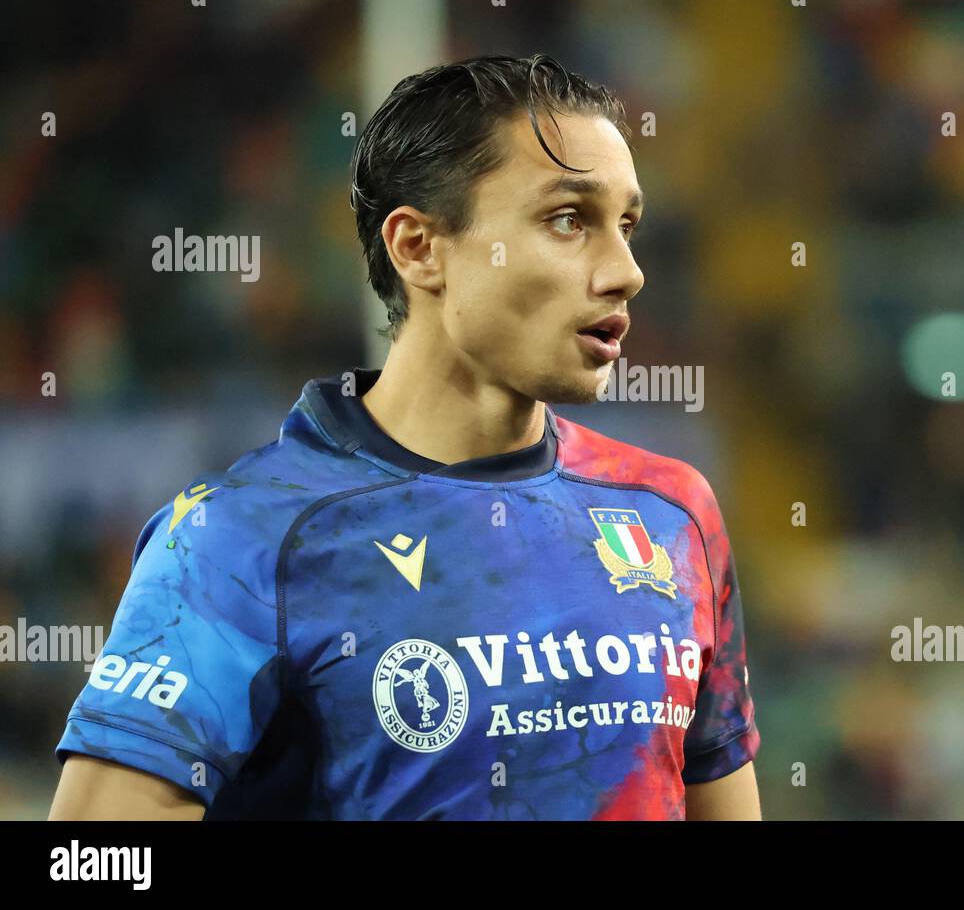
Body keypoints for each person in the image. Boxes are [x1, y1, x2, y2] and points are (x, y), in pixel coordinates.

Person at [49, 54, 761, 820]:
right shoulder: (242, 539)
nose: (625, 271)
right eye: (569, 220)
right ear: (419, 247)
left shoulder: (670, 512)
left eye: (626, 225)